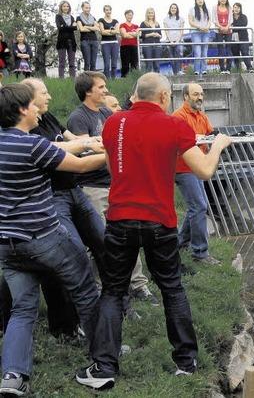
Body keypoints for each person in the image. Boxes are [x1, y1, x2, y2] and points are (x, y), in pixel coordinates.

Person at [74, 73, 232, 390]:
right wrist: (218, 145)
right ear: (162, 98)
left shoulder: (113, 123)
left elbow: (115, 152)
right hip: (160, 221)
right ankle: (186, 363)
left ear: (135, 95)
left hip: (120, 219)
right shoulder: (175, 126)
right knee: (172, 288)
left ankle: (104, 368)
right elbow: (203, 170)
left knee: (113, 291)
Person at [0, 83, 105, 396]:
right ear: (22, 110)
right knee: (85, 288)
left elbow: (66, 149)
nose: (37, 109)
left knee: (22, 310)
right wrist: (114, 152)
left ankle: (12, 377)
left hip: (8, 244)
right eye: (33, 104)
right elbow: (83, 165)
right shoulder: (32, 145)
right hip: (44, 237)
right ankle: (103, 358)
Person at [67, 72, 157, 305]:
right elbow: (85, 148)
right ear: (88, 91)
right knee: (100, 238)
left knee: (130, 232)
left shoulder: (107, 113)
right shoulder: (78, 117)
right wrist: (114, 148)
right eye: (101, 86)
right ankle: (98, 287)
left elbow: (119, 140)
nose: (106, 90)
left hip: (118, 183)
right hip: (93, 187)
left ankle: (138, 285)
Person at [172, 83, 220, 265]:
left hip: (197, 166)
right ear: (185, 96)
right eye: (195, 94)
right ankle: (200, 253)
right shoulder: (178, 117)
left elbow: (211, 132)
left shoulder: (201, 115)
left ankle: (179, 242)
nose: (200, 97)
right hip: (183, 168)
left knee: (198, 205)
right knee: (199, 206)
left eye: (201, 94)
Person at [188, 0, 212, 76]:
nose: (200, 0)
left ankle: (204, 70)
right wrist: (199, 27)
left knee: (204, 52)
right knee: (197, 52)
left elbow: (209, 21)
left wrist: (207, 27)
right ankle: (197, 70)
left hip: (206, 32)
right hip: (195, 32)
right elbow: (190, 22)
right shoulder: (192, 10)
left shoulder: (207, 10)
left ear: (204, 0)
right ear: (196, 1)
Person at [55, 0, 78, 78]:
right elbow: (59, 28)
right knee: (62, 63)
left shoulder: (71, 17)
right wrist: (71, 27)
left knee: (72, 63)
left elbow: (76, 28)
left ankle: (73, 80)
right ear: (61, 7)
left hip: (71, 41)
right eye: (64, 6)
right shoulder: (58, 16)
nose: (66, 8)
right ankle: (61, 80)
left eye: (67, 6)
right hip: (61, 42)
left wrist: (64, 26)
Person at [76, 1, 100, 71]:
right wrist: (92, 27)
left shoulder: (93, 18)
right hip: (85, 41)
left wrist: (87, 27)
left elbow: (97, 28)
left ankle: (93, 80)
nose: (88, 9)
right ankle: (86, 80)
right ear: (82, 8)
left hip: (94, 41)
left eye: (89, 8)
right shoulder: (79, 18)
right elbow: (81, 29)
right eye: (86, 8)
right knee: (87, 62)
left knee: (93, 63)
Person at [98, 5, 120, 79]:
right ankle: (106, 80)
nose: (108, 11)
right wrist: (111, 31)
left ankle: (113, 79)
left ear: (111, 11)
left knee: (114, 64)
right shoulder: (101, 20)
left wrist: (108, 31)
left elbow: (117, 31)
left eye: (109, 10)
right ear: (104, 11)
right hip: (105, 43)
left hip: (114, 43)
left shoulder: (115, 21)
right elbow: (102, 32)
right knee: (107, 64)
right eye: (106, 10)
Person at [230, 3, 253, 72]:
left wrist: (233, 26)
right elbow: (229, 26)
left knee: (245, 52)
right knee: (235, 53)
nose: (236, 9)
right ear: (233, 8)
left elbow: (243, 24)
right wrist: (234, 27)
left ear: (240, 9)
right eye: (235, 7)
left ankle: (249, 67)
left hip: (243, 38)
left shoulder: (244, 16)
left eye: (238, 8)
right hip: (233, 38)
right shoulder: (230, 17)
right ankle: (238, 69)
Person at [164, 3, 185, 76]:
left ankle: (179, 71)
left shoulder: (181, 19)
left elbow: (181, 30)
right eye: (172, 8)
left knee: (179, 56)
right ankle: (175, 73)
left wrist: (177, 41)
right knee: (171, 58)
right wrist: (171, 41)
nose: (173, 9)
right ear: (170, 9)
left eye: (175, 8)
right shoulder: (166, 19)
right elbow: (166, 31)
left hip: (178, 40)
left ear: (177, 9)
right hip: (169, 41)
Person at [213, 0, 232, 74]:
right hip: (218, 30)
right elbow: (214, 19)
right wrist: (220, 27)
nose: (223, 0)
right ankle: (222, 69)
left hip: (228, 30)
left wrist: (227, 26)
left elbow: (231, 19)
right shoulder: (215, 7)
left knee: (228, 49)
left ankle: (228, 69)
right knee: (220, 49)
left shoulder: (229, 8)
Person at [139, 8, 162, 73]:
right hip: (147, 46)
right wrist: (150, 34)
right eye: (149, 13)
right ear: (147, 14)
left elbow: (161, 35)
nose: (151, 14)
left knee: (157, 64)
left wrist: (157, 35)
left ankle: (157, 79)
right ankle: (148, 81)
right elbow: (141, 36)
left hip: (157, 45)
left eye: (152, 13)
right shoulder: (143, 24)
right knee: (149, 64)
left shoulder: (157, 24)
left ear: (154, 14)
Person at [119, 10, 139, 77]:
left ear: (132, 16)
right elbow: (124, 35)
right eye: (128, 15)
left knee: (134, 64)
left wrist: (129, 33)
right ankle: (124, 79)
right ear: (125, 16)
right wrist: (133, 34)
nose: (129, 16)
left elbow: (138, 35)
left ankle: (133, 78)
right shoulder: (122, 25)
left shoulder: (136, 26)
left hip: (134, 46)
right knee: (125, 64)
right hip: (125, 47)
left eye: (131, 15)